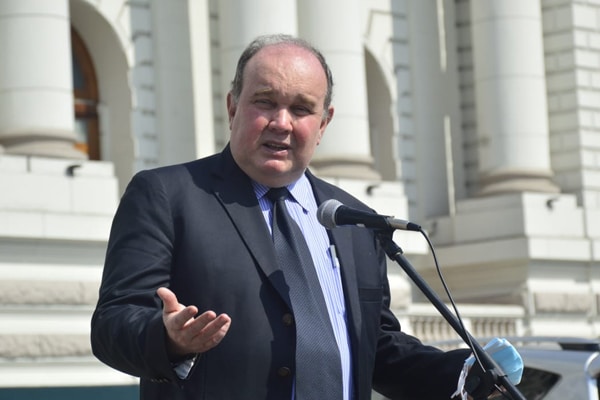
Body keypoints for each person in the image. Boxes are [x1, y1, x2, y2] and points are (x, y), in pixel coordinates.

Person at [91, 34, 521, 400]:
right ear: (233, 107)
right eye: (265, 102)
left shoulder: (353, 221)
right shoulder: (167, 195)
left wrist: (464, 373)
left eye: (301, 109)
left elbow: (378, 349)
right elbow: (112, 324)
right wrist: (168, 339)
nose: (281, 122)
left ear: (323, 123)